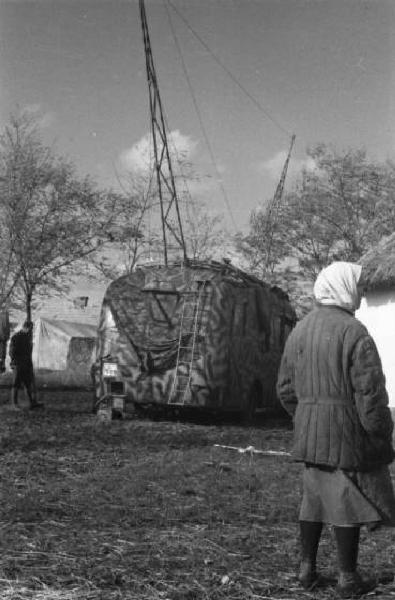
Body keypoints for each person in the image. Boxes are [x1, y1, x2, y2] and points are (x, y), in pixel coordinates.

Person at [276, 262, 395, 598]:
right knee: (346, 501)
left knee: (312, 501)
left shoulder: (298, 330)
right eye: (357, 286)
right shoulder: (355, 332)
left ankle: (306, 569)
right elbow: (370, 395)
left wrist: (305, 417)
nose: (360, 292)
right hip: (346, 434)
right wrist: (380, 433)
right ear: (343, 286)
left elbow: (284, 388)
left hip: (308, 434)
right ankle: (347, 578)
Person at [9, 320, 42, 409]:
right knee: (16, 384)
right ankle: (15, 404)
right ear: (26, 327)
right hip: (18, 364)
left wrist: (30, 364)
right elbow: (12, 352)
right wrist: (15, 363)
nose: (31, 331)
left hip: (26, 364)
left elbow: (28, 353)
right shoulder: (16, 337)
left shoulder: (27, 337)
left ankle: (31, 403)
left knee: (28, 384)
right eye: (30, 329)